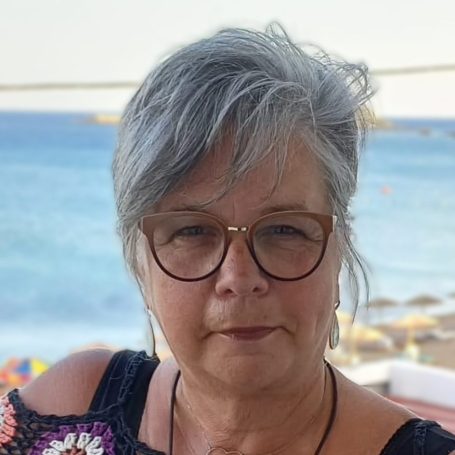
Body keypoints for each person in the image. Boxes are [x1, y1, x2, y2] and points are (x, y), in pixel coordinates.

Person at [1, 26, 454, 455]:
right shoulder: (68, 409)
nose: (239, 277)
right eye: (192, 231)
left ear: (339, 251)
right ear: (140, 263)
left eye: (284, 229)